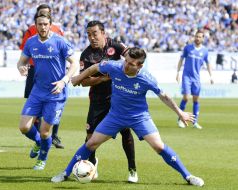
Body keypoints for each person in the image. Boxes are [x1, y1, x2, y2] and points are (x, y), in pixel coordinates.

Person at [51, 47, 204, 187]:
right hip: (115, 116)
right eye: (126, 61)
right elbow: (95, 67)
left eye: (131, 64)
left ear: (140, 66)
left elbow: (163, 96)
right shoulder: (115, 66)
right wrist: (78, 78)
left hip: (139, 117)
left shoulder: (146, 78)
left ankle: (188, 176)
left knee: (159, 146)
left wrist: (180, 113)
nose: (126, 65)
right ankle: (65, 173)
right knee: (91, 143)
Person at [78, 20, 137, 182]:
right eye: (89, 34)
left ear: (103, 33)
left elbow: (131, 60)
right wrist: (103, 79)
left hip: (119, 98)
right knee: (90, 136)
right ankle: (91, 164)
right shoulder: (86, 55)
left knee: (126, 131)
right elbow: (83, 82)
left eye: (95, 33)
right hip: (97, 100)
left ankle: (132, 169)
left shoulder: (116, 46)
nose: (92, 37)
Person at [17, 12, 77, 170]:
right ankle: (38, 143)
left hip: (56, 94)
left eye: (45, 24)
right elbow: (21, 62)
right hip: (37, 91)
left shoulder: (60, 41)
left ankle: (42, 158)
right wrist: (21, 68)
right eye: (40, 24)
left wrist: (64, 81)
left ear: (50, 25)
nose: (42, 27)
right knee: (24, 127)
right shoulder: (31, 42)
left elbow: (74, 63)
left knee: (45, 132)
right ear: (35, 25)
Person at [19, 4, 65, 149]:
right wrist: (22, 66)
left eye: (47, 14)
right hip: (34, 70)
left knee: (53, 109)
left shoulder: (57, 31)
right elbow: (24, 52)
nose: (43, 26)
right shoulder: (31, 31)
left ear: (50, 19)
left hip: (54, 74)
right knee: (34, 107)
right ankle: (39, 136)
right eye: (41, 13)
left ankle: (53, 136)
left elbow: (64, 52)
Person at [176, 30, 214, 129]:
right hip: (186, 77)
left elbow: (208, 63)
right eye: (196, 36)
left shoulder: (205, 51)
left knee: (196, 99)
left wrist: (211, 76)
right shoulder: (188, 48)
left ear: (203, 39)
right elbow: (181, 60)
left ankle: (195, 122)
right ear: (194, 37)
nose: (197, 38)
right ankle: (180, 119)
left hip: (196, 78)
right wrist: (178, 72)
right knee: (186, 97)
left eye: (200, 37)